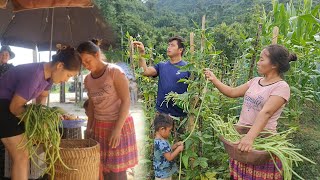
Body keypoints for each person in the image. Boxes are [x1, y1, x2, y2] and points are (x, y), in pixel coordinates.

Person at [204, 44, 297, 179]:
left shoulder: (281, 87)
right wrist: (214, 79)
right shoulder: (255, 81)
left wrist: (250, 138)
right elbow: (232, 92)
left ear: (274, 64)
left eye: (261, 59)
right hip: (243, 139)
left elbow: (266, 112)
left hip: (260, 143)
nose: (258, 63)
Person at [0, 46, 81, 180]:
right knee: (21, 155)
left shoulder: (49, 77)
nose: (67, 80)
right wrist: (36, 124)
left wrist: (42, 123)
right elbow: (15, 108)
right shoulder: (35, 75)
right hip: (3, 105)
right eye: (68, 75)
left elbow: (41, 98)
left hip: (9, 106)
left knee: (23, 155)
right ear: (60, 65)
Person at [77, 40, 138, 180]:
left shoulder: (114, 72)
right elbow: (92, 105)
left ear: (97, 55)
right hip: (100, 126)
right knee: (101, 168)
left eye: (88, 61)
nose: (86, 65)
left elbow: (126, 101)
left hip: (119, 125)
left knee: (117, 172)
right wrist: (89, 127)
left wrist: (117, 129)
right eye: (83, 63)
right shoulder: (88, 79)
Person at [133, 36, 190, 137]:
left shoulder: (188, 68)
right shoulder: (162, 66)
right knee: (160, 146)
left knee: (179, 145)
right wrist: (142, 53)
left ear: (180, 50)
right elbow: (145, 71)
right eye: (168, 45)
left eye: (172, 45)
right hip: (161, 114)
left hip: (180, 116)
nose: (169, 47)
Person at [153, 113, 184, 180]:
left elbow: (165, 151)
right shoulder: (162, 143)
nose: (170, 133)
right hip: (163, 175)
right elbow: (169, 157)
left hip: (162, 173)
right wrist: (178, 149)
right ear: (162, 129)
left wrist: (175, 146)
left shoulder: (159, 140)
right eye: (169, 130)